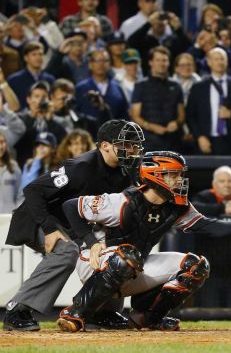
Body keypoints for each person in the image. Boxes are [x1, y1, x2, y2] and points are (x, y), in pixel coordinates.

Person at [56, 151, 231, 332]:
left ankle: (147, 317)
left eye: (180, 175)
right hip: (95, 264)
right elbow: (70, 207)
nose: (179, 180)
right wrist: (91, 242)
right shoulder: (122, 202)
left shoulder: (176, 206)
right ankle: (75, 312)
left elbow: (207, 226)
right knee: (127, 256)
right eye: (173, 175)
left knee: (196, 266)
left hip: (132, 264)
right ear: (154, 175)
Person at [3, 120, 144, 331]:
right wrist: (49, 229)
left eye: (134, 145)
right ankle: (17, 310)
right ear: (105, 145)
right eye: (126, 144)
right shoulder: (80, 167)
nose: (132, 150)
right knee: (67, 251)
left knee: (116, 252)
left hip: (71, 223)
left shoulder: (125, 171)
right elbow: (33, 191)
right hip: (39, 218)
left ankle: (103, 312)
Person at [190, 166, 231, 307]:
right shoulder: (204, 197)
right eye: (222, 181)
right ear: (214, 184)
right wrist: (223, 209)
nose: (226, 184)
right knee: (208, 311)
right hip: (209, 270)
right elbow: (192, 208)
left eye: (230, 181)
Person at [186, 48, 231, 155]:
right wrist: (199, 137)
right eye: (216, 59)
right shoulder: (199, 87)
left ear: (227, 61)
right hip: (206, 141)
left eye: (222, 59)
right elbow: (190, 115)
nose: (220, 62)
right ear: (209, 62)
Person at [130, 47, 185, 152]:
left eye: (164, 60)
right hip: (148, 143)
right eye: (158, 60)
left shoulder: (176, 86)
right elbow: (135, 115)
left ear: (168, 63)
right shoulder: (140, 86)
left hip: (173, 142)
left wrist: (177, 123)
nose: (161, 63)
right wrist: (152, 127)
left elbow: (181, 115)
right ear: (151, 62)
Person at [8, 42, 56, 110]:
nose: (38, 57)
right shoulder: (14, 80)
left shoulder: (50, 79)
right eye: (34, 54)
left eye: (40, 54)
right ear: (26, 58)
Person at [0, 131, 21, 214]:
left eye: (4, 142)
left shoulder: (13, 166)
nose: (2, 146)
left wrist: (17, 212)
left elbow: (20, 194)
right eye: (0, 142)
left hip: (9, 217)